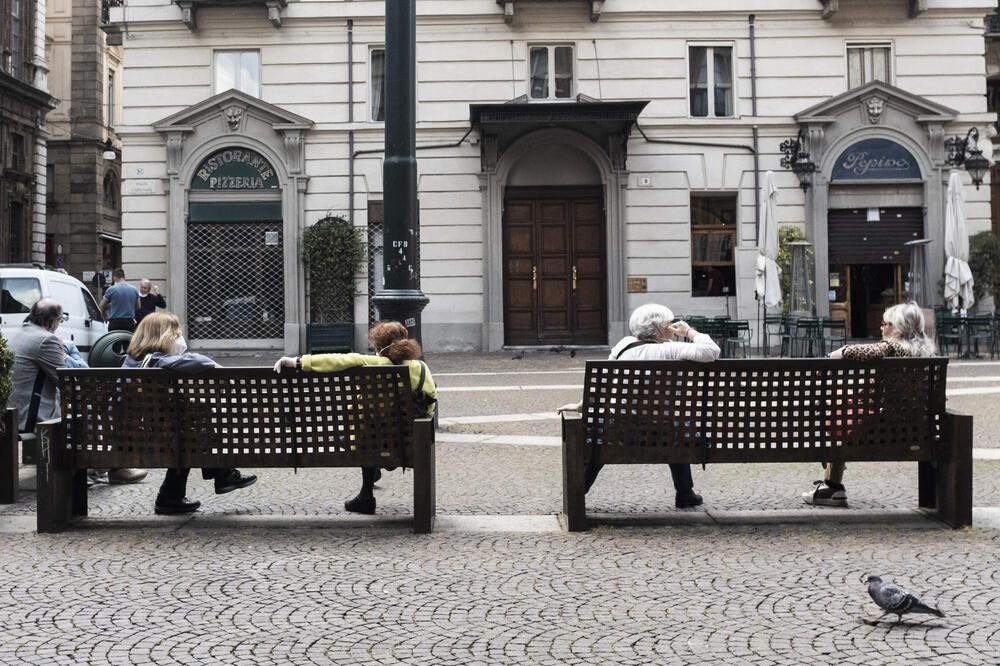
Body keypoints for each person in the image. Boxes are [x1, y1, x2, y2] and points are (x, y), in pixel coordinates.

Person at [556, 303, 721, 508]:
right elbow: (712, 350)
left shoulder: (623, 345)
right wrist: (688, 331)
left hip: (621, 429)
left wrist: (581, 406)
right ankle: (685, 493)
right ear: (660, 328)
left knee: (601, 434)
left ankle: (577, 492)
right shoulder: (673, 350)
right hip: (666, 431)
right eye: (670, 323)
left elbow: (602, 384)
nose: (673, 326)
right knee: (675, 425)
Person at [273, 320, 437, 515]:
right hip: (409, 441)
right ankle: (375, 476)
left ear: (379, 347)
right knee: (373, 430)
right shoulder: (421, 368)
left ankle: (366, 495)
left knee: (365, 429)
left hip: (369, 442)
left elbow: (339, 360)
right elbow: (430, 404)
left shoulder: (371, 364)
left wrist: (297, 362)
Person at [802, 302, 937, 507]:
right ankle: (832, 485)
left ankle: (832, 485)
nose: (881, 327)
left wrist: (830, 357)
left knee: (838, 411)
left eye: (885, 323)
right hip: (920, 429)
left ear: (899, 328)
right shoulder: (927, 354)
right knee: (845, 406)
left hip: (885, 430)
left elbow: (856, 352)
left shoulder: (892, 348)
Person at [122, 312, 257, 515]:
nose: (179, 337)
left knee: (191, 431)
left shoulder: (131, 361)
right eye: (176, 332)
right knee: (193, 433)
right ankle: (222, 474)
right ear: (163, 336)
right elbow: (195, 361)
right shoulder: (157, 360)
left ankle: (171, 497)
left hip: (133, 432)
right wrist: (215, 365)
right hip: (149, 436)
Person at [99, 268, 141, 332]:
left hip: (115, 322)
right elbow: (138, 306)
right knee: (128, 338)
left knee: (115, 338)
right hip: (129, 322)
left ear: (114, 277)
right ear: (124, 277)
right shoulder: (134, 289)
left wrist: (104, 317)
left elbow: (101, 305)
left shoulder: (111, 289)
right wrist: (129, 309)